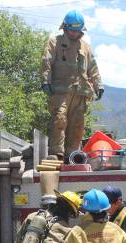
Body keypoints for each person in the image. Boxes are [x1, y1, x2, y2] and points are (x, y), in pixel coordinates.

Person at [40, 10, 103, 162]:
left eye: (77, 30)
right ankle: (56, 153)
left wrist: (98, 85)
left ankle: (72, 154)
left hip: (80, 92)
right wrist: (45, 82)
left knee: (77, 124)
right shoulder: (54, 42)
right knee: (59, 119)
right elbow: (46, 62)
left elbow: (93, 68)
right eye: (71, 30)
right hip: (60, 91)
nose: (74, 33)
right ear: (65, 27)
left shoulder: (86, 47)